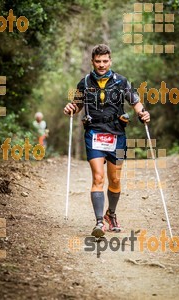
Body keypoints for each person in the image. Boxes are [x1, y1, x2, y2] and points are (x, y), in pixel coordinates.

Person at [64, 44, 150, 238]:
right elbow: (77, 106)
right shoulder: (84, 83)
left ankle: (111, 214)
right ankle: (99, 222)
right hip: (94, 133)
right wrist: (70, 108)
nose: (101, 65)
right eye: (98, 61)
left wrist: (143, 113)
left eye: (105, 61)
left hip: (117, 135)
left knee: (115, 180)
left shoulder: (121, 81)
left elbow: (135, 101)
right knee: (98, 178)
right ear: (92, 61)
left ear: (110, 61)